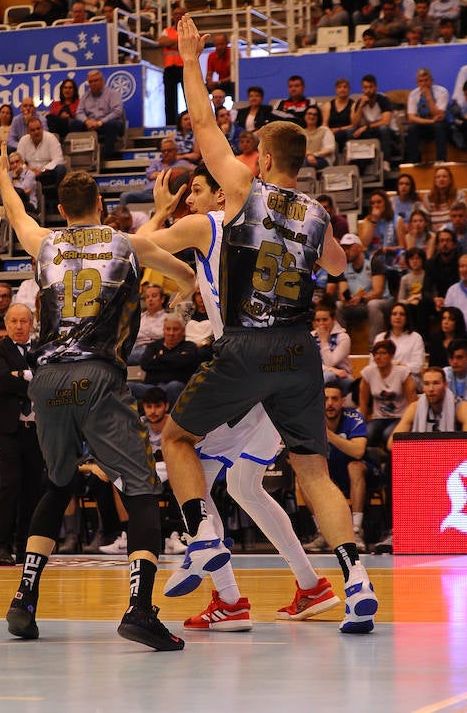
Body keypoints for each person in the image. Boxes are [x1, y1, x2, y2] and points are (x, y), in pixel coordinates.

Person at [158, 14, 378, 634]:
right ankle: (353, 576)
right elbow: (337, 265)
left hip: (249, 343)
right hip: (300, 350)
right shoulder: (318, 212)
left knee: (176, 438)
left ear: (262, 157)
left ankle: (202, 535)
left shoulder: (245, 191)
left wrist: (191, 59)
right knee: (313, 471)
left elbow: (203, 127)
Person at [0, 138, 196, 651]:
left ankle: (24, 599)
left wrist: (1, 174)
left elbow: (15, 214)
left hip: (48, 379)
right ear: (101, 205)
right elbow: (179, 272)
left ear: (60, 210)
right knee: (141, 489)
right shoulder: (126, 244)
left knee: (57, 486)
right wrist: (165, 222)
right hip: (97, 375)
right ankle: (140, 609)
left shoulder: (46, 243)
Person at [137, 162, 342, 627]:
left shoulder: (212, 223)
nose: (189, 200)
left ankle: (225, 591)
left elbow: (139, 247)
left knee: (188, 467)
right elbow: (184, 275)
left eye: (197, 191)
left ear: (220, 196)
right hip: (282, 366)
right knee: (243, 485)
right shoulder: (245, 231)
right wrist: (186, 289)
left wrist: (157, 214)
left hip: (246, 370)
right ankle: (312, 586)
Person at [0, 304, 45, 566]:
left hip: (36, 429)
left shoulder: (43, 350)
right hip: (6, 428)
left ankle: (26, 546)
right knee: (9, 484)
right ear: (6, 325)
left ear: (32, 324)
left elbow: (50, 380)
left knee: (33, 488)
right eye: (14, 322)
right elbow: (3, 381)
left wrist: (22, 374)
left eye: (24, 321)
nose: (19, 326)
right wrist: (33, 378)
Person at [302, 385, 369, 553]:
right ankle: (323, 532)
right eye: (325, 399)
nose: (330, 403)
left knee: (355, 467)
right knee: (304, 475)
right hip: (328, 473)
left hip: (356, 473)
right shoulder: (310, 419)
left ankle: (356, 530)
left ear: (343, 402)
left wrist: (328, 435)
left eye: (334, 399)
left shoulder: (354, 417)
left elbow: (358, 451)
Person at [388, 367, 467, 448]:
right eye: (426, 384)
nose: (431, 389)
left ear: (445, 385)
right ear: (423, 387)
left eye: (436, 383)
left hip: (455, 456)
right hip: (424, 456)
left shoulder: (461, 407)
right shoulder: (414, 408)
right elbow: (391, 444)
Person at [358, 338, 417, 448]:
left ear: (391, 355)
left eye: (383, 353)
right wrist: (361, 423)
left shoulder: (403, 372)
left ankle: (390, 464)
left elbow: (412, 402)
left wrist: (410, 422)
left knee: (388, 435)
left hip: (401, 417)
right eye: (375, 354)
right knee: (368, 434)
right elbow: (363, 401)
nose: (378, 357)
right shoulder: (368, 372)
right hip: (379, 417)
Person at [372, 302, 426, 388]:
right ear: (389, 317)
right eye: (394, 314)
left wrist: (398, 366)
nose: (398, 317)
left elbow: (417, 367)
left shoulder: (416, 337)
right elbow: (372, 364)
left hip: (409, 378)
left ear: (407, 318)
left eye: (402, 314)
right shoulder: (380, 337)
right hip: (384, 377)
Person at [75, 69, 125, 157]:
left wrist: (100, 122)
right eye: (90, 81)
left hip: (106, 124)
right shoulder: (85, 96)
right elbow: (79, 112)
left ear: (102, 81)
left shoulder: (113, 94)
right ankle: (80, 155)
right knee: (73, 124)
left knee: (113, 125)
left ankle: (108, 155)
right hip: (90, 125)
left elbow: (117, 112)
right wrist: (86, 121)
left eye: (96, 80)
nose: (93, 83)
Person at [422, 166, 466, 233]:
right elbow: (425, 222)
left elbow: (461, 218)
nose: (441, 179)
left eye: (444, 176)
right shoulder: (428, 198)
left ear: (450, 180)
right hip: (435, 237)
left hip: (454, 235)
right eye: (438, 177)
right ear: (435, 181)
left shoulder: (459, 195)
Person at [204, 33, 234, 97]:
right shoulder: (211, 56)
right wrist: (209, 82)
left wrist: (219, 82)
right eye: (217, 44)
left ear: (227, 43)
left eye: (222, 44)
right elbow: (209, 73)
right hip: (219, 83)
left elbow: (235, 76)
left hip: (229, 83)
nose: (219, 47)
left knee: (233, 85)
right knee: (202, 88)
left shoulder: (233, 54)